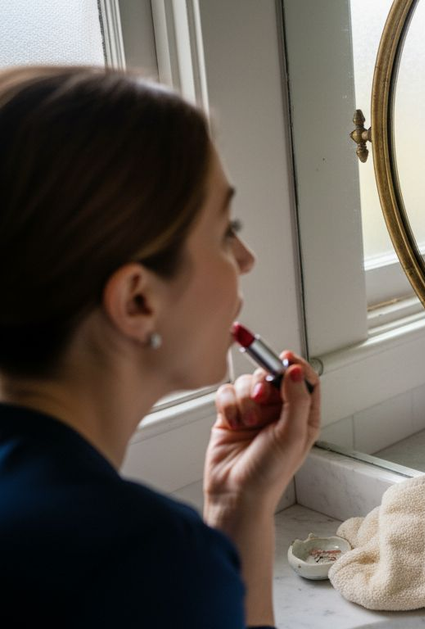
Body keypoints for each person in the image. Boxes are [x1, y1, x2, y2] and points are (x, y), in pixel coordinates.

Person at [0, 66, 320, 627]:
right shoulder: (139, 562)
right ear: (137, 300)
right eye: (225, 230)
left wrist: (237, 507)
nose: (245, 260)